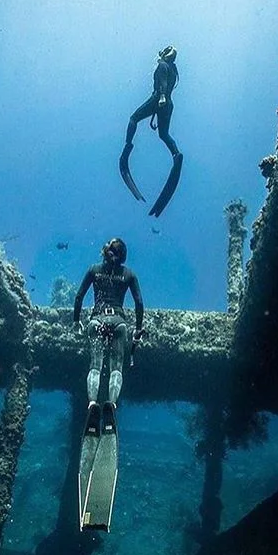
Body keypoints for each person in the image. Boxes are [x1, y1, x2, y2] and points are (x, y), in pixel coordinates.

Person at [73, 238, 144, 408]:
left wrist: (76, 321)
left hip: (97, 320)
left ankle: (92, 403)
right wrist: (138, 329)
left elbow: (78, 297)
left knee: (95, 365)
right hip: (118, 323)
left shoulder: (94, 270)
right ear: (123, 256)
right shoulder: (129, 274)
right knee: (116, 367)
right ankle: (111, 405)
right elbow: (139, 303)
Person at [119, 45, 184, 218]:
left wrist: (161, 97)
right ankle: (176, 155)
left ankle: (127, 149)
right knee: (163, 134)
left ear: (164, 54)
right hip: (169, 104)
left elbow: (162, 82)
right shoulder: (173, 69)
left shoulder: (163, 65)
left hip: (159, 99)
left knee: (133, 119)